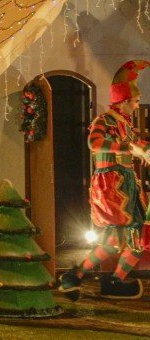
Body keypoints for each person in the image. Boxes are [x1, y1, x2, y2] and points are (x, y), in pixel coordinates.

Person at [59, 61, 150, 300]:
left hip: (128, 185)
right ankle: (83, 277)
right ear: (124, 101)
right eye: (136, 101)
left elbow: (140, 146)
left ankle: (100, 279)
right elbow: (95, 143)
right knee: (118, 240)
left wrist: (144, 149)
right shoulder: (104, 121)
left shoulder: (125, 125)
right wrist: (130, 148)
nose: (137, 106)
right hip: (112, 186)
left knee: (133, 240)